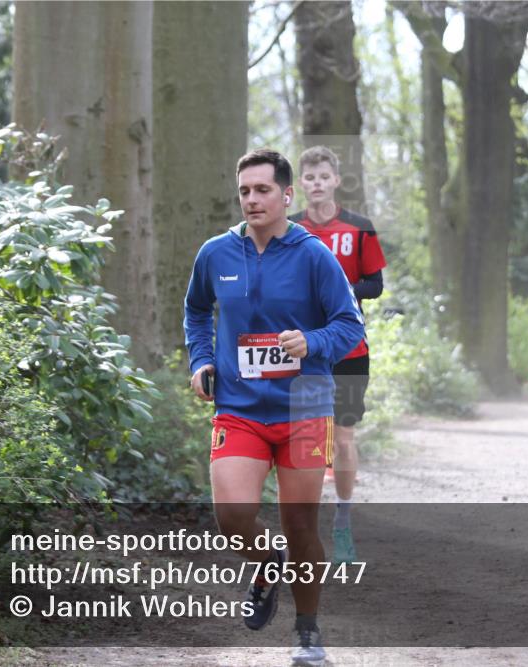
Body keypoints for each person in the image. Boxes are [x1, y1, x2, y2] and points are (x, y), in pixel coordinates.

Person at [184, 148, 364, 667]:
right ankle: (266, 566)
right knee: (233, 514)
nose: (252, 199)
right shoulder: (215, 253)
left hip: (306, 404)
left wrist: (312, 341)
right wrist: (200, 361)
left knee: (301, 527)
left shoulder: (313, 256)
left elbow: (349, 325)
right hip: (239, 404)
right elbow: (197, 310)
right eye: (244, 191)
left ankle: (308, 634)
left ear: (287, 195)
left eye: (262, 190)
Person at [289, 146, 387, 566]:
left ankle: (343, 520)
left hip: (349, 347)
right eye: (309, 178)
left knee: (343, 438)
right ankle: (303, 527)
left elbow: (375, 284)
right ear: (299, 185)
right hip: (303, 350)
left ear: (336, 181)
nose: (316, 184)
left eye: (323, 176)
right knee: (306, 438)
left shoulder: (359, 227)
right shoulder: (288, 230)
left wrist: (341, 293)